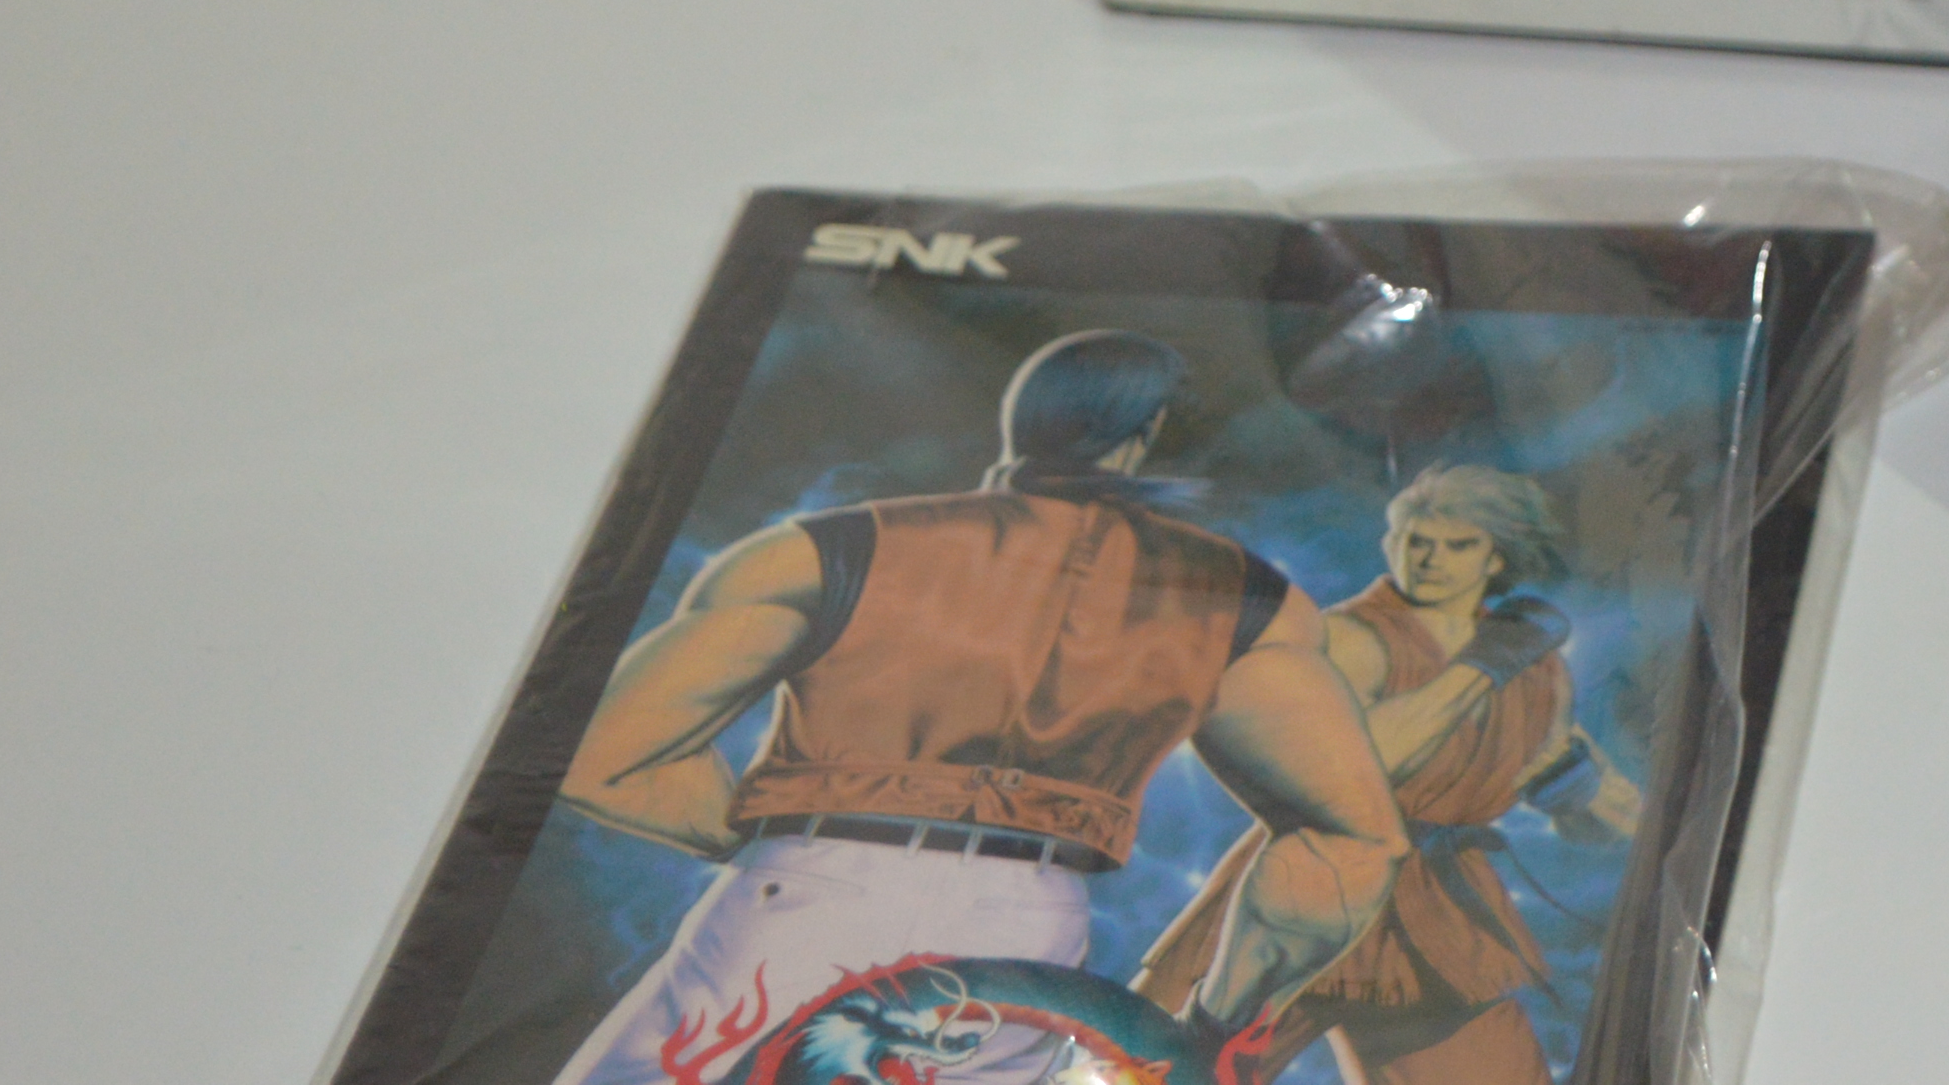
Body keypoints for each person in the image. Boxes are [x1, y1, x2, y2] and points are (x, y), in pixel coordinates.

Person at [549, 332, 1406, 1085]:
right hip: (1027, 927)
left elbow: (601, 756)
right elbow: (1354, 843)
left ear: (1019, 422)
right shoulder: (1241, 602)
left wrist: (770, 846)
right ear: (1144, 434)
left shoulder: (825, 552)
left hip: (814, 884)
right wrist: (1211, 1024)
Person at [1137, 464, 1644, 1085]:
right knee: (1151, 1067)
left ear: (1497, 558)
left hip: (1439, 921)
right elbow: (1351, 769)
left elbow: (1587, 814)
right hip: (1313, 886)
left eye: (1458, 545)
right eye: (1416, 540)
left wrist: (1580, 792)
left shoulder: (1538, 667)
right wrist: (1480, 670)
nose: (1429, 560)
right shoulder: (1350, 637)